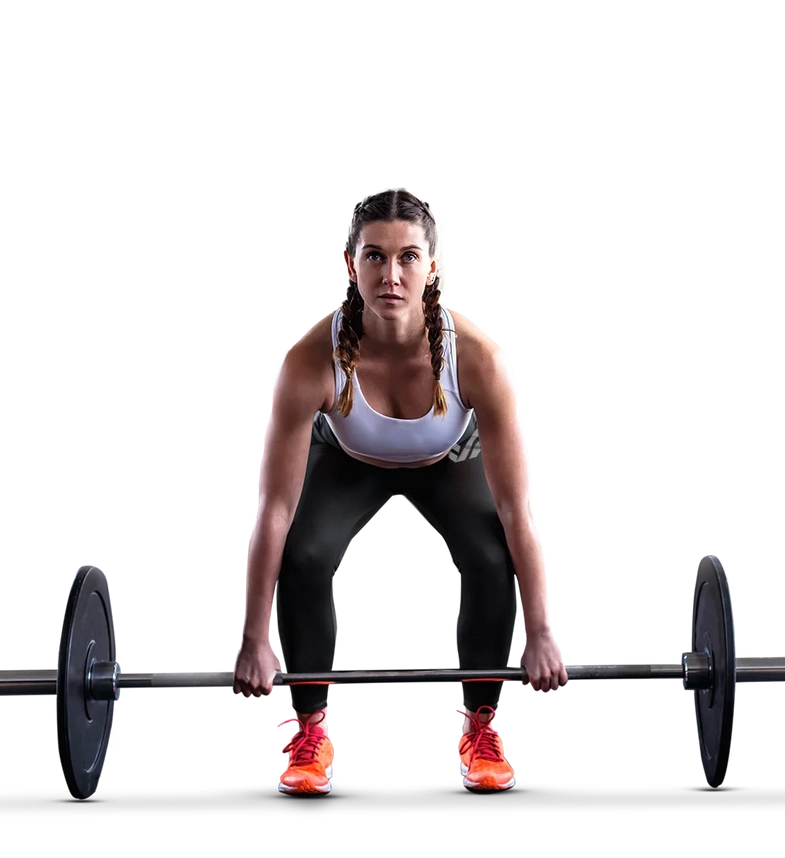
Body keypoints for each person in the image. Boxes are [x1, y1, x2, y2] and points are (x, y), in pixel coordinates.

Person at [234, 186, 568, 794]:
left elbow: (520, 508)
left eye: (409, 257)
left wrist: (542, 632)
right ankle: (310, 727)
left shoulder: (475, 357)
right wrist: (255, 639)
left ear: (433, 264)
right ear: (349, 263)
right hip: (348, 459)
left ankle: (482, 722)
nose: (391, 275)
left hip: (446, 458)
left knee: (493, 558)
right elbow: (275, 510)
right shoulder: (312, 359)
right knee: (303, 555)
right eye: (375, 257)